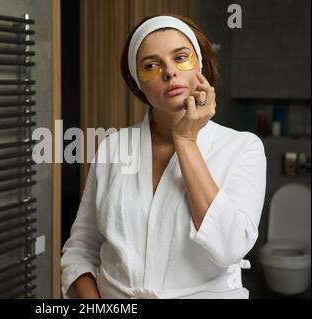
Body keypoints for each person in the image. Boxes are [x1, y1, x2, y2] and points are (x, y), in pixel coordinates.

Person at [60, 14, 267, 299]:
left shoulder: (243, 147)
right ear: (138, 84)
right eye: (151, 66)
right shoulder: (113, 147)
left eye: (181, 58)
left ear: (201, 68)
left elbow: (229, 246)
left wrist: (186, 141)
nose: (169, 72)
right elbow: (81, 248)